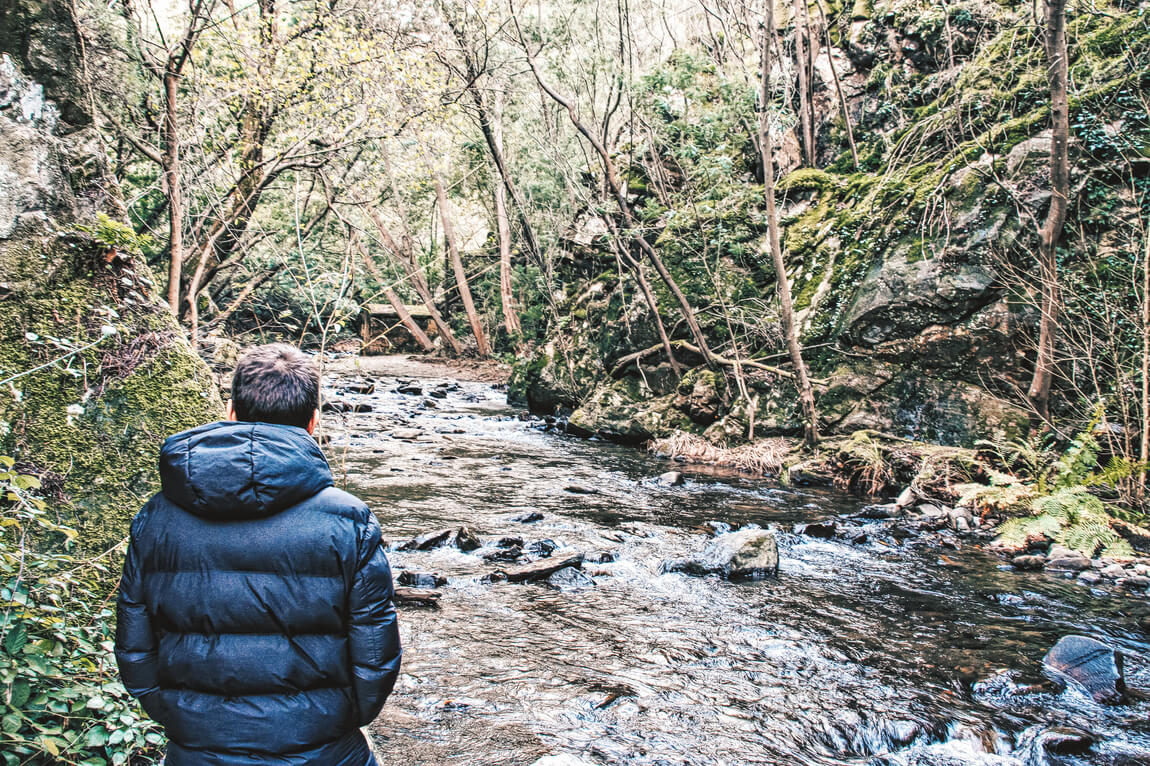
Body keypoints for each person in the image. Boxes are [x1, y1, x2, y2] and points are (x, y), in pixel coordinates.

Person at [115, 343, 401, 766]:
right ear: (313, 422)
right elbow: (375, 653)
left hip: (196, 747)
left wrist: (183, 719)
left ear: (230, 412)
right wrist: (339, 719)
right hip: (323, 748)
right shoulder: (349, 519)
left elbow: (134, 645)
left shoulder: (156, 516)